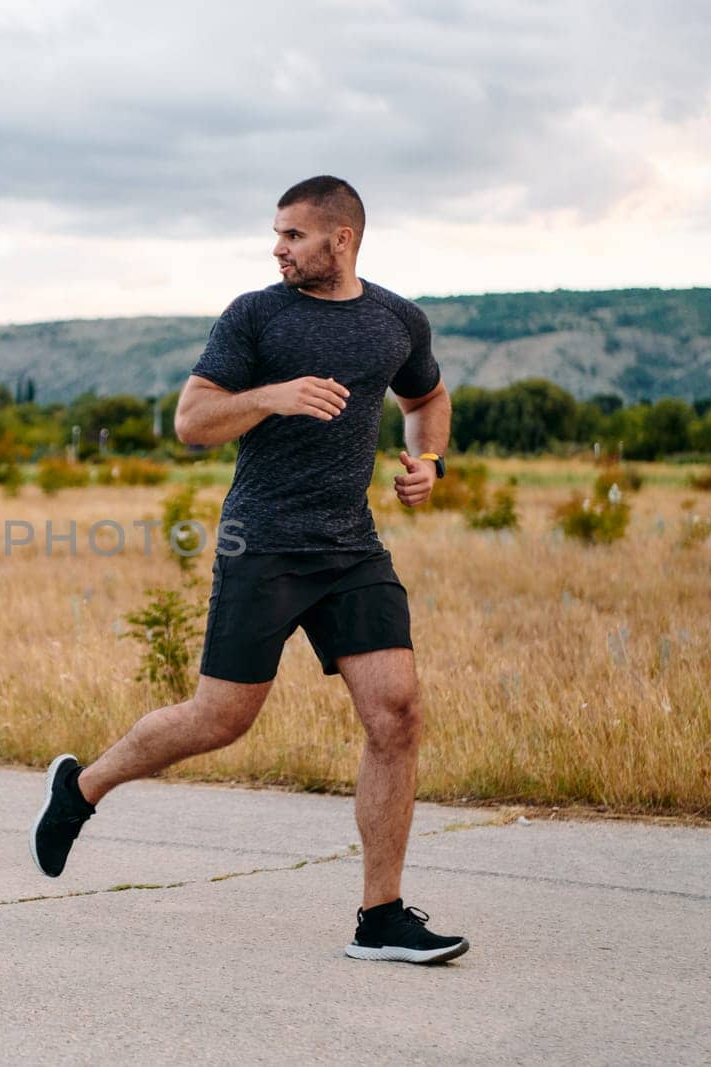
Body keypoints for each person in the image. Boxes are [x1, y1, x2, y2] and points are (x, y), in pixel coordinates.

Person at [30, 176, 468, 964]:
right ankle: (82, 788)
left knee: (396, 713)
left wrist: (428, 458)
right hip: (262, 542)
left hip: (350, 546)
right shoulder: (255, 315)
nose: (278, 248)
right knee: (220, 718)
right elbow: (192, 421)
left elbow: (427, 395)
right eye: (277, 235)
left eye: (294, 235)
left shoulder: (395, 320)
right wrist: (272, 395)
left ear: (342, 238)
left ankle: (382, 916)